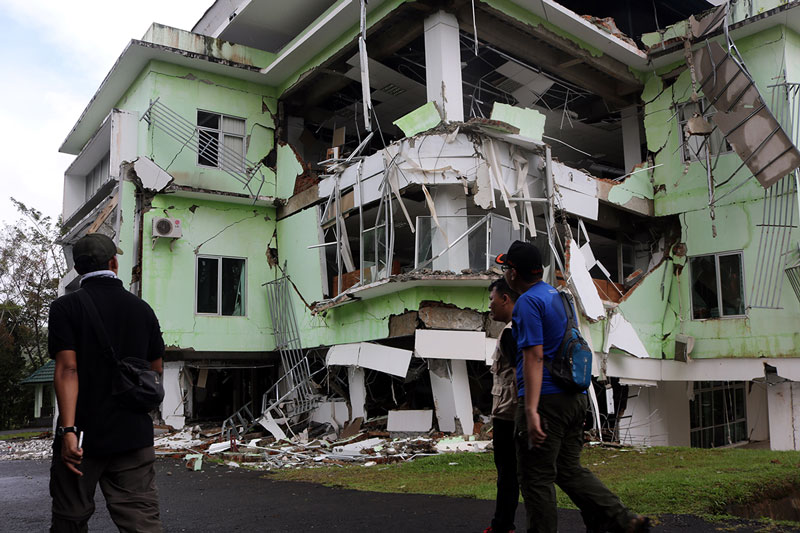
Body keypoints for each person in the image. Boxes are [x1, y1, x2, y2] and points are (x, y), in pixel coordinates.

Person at [496, 241, 649, 533]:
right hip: (575, 397)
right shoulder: (559, 297)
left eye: (506, 268)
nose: (504, 273)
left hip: (547, 401)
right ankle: (622, 519)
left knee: (535, 478)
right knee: (568, 470)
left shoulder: (528, 302)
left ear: (514, 273)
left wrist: (530, 410)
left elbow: (534, 355)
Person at [48, 233, 164, 532]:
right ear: (113, 262)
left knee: (70, 520)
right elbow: (156, 367)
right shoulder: (142, 309)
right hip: (133, 434)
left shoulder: (65, 308)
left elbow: (67, 369)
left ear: (78, 269)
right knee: (142, 522)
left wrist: (69, 431)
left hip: (83, 436)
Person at [484, 278, 520, 533]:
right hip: (514, 412)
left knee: (507, 474)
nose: (489, 306)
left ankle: (502, 526)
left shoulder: (510, 332)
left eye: (492, 300)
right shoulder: (523, 327)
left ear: (505, 299)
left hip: (509, 415)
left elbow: (521, 374)